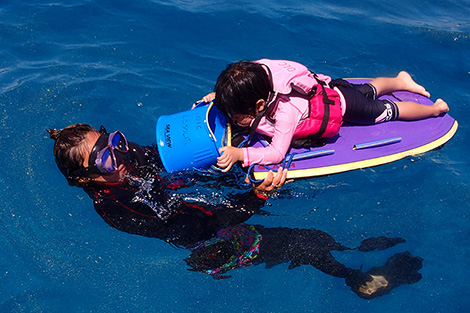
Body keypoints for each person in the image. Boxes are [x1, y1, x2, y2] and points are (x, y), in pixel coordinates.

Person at [46, 124, 424, 299]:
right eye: (107, 157)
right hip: (209, 243)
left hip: (200, 208)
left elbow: (177, 157)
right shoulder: (118, 210)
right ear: (86, 180)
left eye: (114, 141)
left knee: (302, 233)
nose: (122, 153)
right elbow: (195, 228)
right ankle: (360, 279)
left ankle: (352, 254)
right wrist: (257, 198)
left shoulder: (131, 160)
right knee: (303, 243)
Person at [205, 59, 450, 172]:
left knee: (386, 111)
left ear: (260, 105)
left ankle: (434, 109)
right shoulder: (260, 76)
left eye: (237, 116)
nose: (233, 120)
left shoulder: (284, 113)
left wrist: (240, 153)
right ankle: (400, 80)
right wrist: (218, 96)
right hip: (333, 89)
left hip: (344, 108)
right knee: (368, 90)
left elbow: (276, 153)